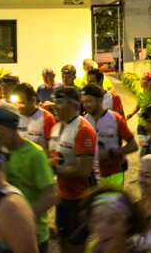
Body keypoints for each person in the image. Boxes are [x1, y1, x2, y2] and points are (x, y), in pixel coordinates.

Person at [0, 103, 58, 253]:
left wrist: (25, 219)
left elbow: (50, 194)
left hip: (33, 234)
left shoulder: (34, 154)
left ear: (13, 128)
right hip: (6, 234)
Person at [48, 86, 98, 253]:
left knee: (75, 246)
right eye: (55, 102)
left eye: (60, 102)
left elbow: (83, 170)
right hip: (63, 196)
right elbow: (55, 158)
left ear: (75, 106)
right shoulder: (56, 127)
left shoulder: (83, 130)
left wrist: (53, 168)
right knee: (61, 241)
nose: (55, 106)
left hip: (80, 198)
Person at [82, 83, 138, 189]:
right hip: (93, 176)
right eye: (83, 102)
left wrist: (110, 153)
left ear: (100, 100)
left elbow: (133, 146)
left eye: (89, 101)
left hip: (114, 173)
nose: (85, 105)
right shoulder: (83, 121)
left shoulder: (115, 119)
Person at [82, 186, 150, 253]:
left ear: (128, 224)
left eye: (111, 221)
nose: (100, 227)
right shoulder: (93, 248)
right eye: (96, 220)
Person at [11, 83, 56, 150]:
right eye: (16, 103)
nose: (18, 107)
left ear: (33, 100)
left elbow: (52, 149)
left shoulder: (47, 118)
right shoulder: (15, 117)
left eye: (22, 102)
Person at [127, 71, 151, 143]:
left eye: (143, 79)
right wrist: (131, 114)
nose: (140, 80)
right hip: (141, 125)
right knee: (142, 145)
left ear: (150, 82)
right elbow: (138, 106)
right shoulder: (140, 92)